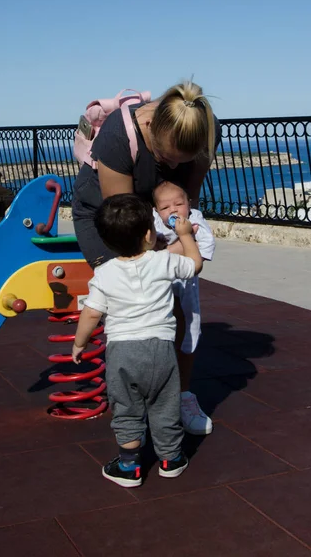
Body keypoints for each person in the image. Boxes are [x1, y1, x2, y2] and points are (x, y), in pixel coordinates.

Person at [72, 80, 221, 435]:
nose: (171, 166)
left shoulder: (202, 135)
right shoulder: (117, 137)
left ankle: (180, 394)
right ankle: (130, 395)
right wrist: (163, 258)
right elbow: (123, 223)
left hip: (159, 219)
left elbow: (189, 202)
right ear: (153, 127)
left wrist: (182, 243)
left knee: (180, 305)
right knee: (131, 300)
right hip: (111, 217)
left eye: (179, 161)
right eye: (166, 157)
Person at [71, 194, 203, 488]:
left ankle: (130, 467)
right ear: (148, 234)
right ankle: (170, 460)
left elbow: (92, 313)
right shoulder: (163, 261)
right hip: (160, 349)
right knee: (164, 404)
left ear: (107, 242)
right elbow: (194, 265)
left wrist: (79, 343)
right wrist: (184, 235)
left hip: (121, 353)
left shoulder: (103, 274)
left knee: (126, 407)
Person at [153, 180, 215, 434]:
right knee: (159, 331)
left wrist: (173, 245)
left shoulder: (196, 219)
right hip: (160, 285)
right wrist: (183, 244)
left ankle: (184, 394)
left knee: (189, 326)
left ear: (189, 204)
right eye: (166, 207)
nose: (174, 210)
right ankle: (158, 396)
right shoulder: (153, 222)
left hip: (186, 282)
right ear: (157, 211)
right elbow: (148, 253)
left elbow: (205, 249)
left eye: (179, 203)